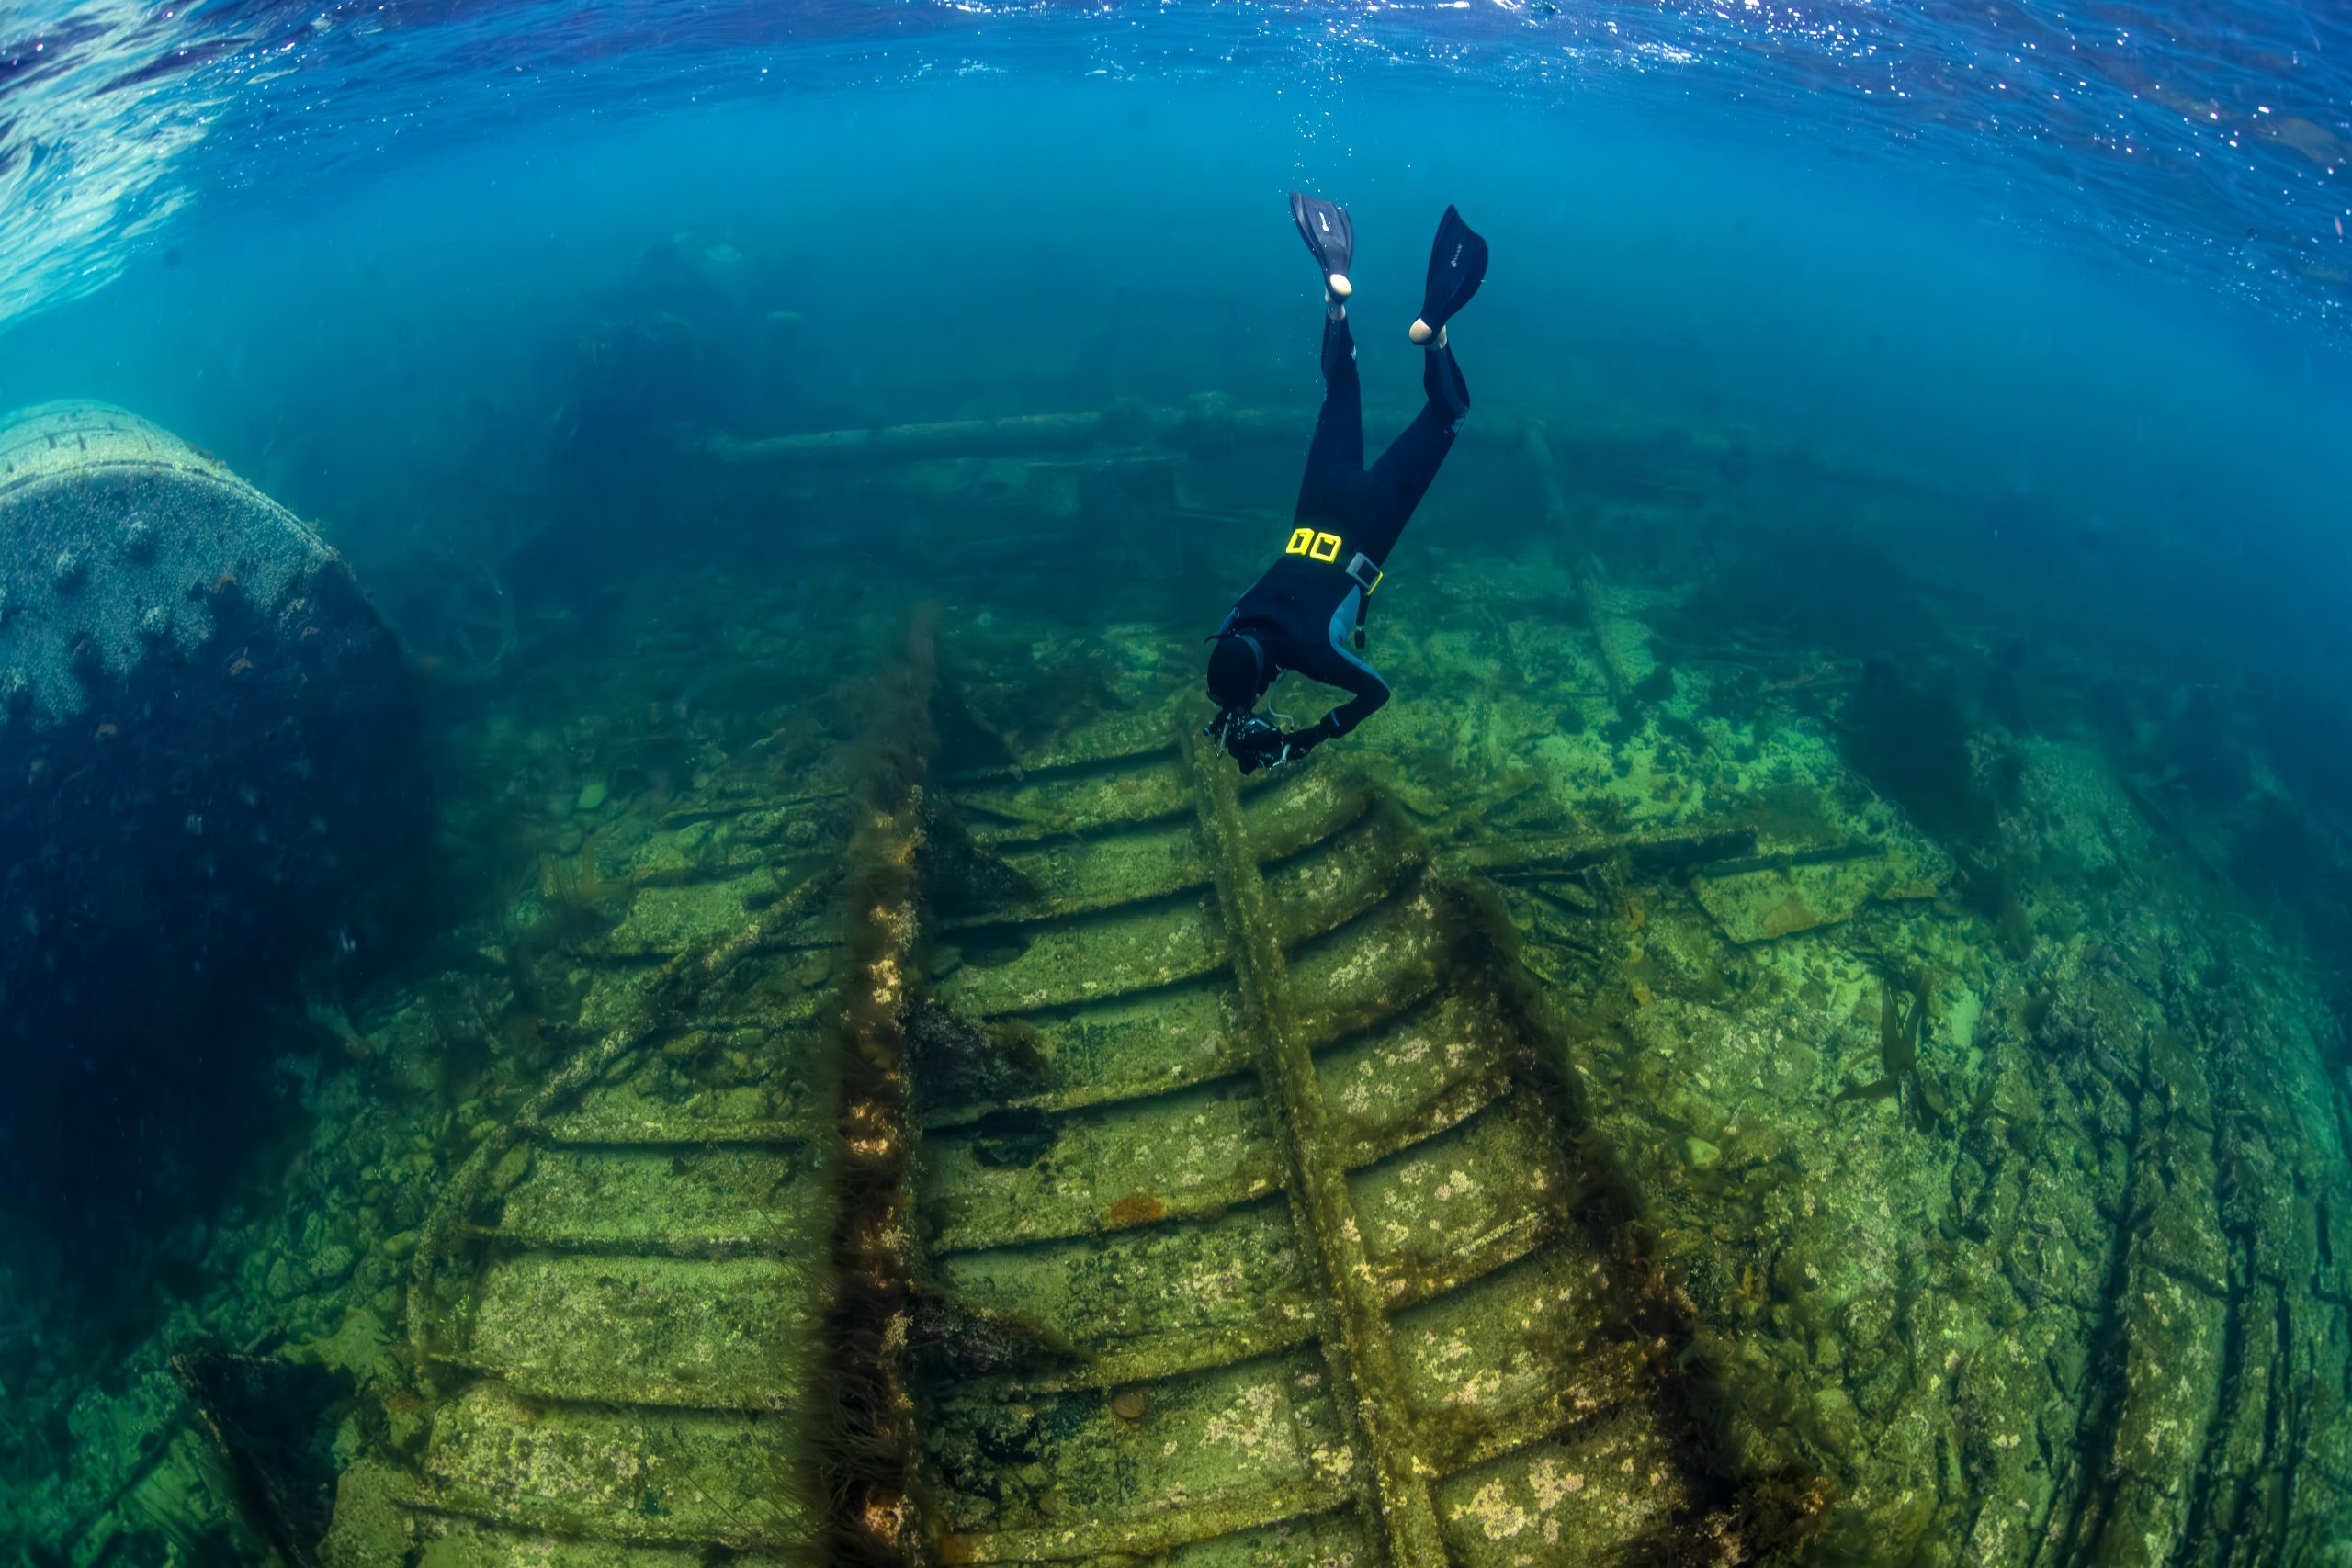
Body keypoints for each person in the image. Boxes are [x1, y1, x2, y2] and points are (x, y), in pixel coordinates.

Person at [1204, 193, 1487, 774]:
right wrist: (1233, 710)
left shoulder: (1310, 652)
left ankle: (1434, 336)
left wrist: (1312, 734)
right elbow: (1232, 652)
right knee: (1340, 392)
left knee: (1448, 415)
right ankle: (1337, 304)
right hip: (1316, 505)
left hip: (1367, 524)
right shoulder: (1238, 617)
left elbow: (1376, 694)